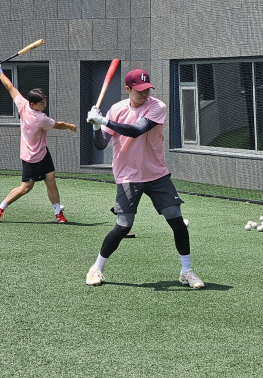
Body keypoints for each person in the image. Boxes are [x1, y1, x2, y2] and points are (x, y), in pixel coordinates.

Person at [84, 68, 204, 288]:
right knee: (124, 225)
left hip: (156, 173)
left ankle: (186, 271)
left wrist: (105, 121)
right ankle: (96, 267)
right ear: (128, 89)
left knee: (176, 219)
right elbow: (101, 143)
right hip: (128, 175)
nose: (144, 94)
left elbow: (136, 130)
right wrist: (96, 126)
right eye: (139, 91)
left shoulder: (157, 107)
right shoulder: (117, 109)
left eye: (147, 89)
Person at [0, 64, 76, 223]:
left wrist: (0, 71)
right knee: (26, 188)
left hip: (42, 152)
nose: (44, 106)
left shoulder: (22, 104)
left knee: (51, 180)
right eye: (42, 103)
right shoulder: (40, 119)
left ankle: (58, 214)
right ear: (33, 104)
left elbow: (9, 86)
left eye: (45, 102)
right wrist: (69, 126)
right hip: (31, 157)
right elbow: (58, 124)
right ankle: (1, 208)